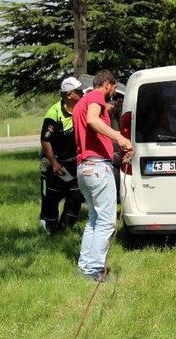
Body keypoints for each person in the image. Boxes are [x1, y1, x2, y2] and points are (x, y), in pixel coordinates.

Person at [73, 70, 133, 282]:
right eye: (114, 88)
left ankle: (85, 267)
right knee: (107, 221)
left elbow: (89, 120)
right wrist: (119, 137)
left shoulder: (82, 101)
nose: (114, 93)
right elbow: (91, 120)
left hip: (84, 168)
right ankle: (96, 270)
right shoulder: (96, 96)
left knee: (94, 220)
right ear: (107, 84)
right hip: (97, 167)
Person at [39, 77, 85, 234]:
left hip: (73, 162)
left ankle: (65, 228)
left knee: (77, 194)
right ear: (69, 94)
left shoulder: (80, 108)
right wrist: (54, 163)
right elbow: (45, 140)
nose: (82, 94)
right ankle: (50, 229)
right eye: (79, 91)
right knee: (52, 196)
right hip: (56, 163)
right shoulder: (54, 113)